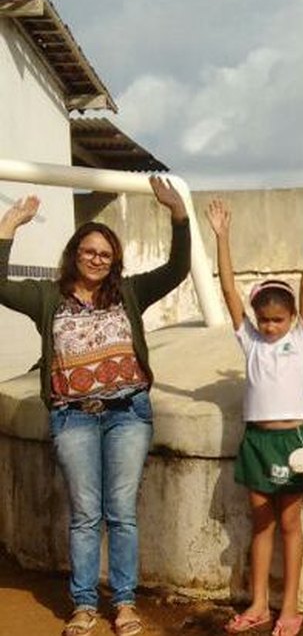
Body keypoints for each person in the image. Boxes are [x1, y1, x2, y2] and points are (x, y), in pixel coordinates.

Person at [0, 178, 191, 636]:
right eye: (89, 251)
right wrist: (9, 225)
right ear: (74, 254)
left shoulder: (129, 294)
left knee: (121, 512)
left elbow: (178, 269)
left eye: (105, 254)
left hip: (128, 414)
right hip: (73, 416)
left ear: (114, 261)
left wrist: (178, 214)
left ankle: (124, 603)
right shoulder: (48, 298)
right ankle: (84, 605)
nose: (97, 259)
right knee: (86, 514)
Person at [212, 199, 303, 636]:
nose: (269, 327)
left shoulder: (301, 338)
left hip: (292, 443)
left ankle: (290, 608)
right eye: (263, 320)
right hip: (256, 441)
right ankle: (260, 603)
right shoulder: (250, 341)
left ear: (291, 318)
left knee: (289, 523)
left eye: (277, 320)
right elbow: (229, 290)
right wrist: (222, 237)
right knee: (261, 524)